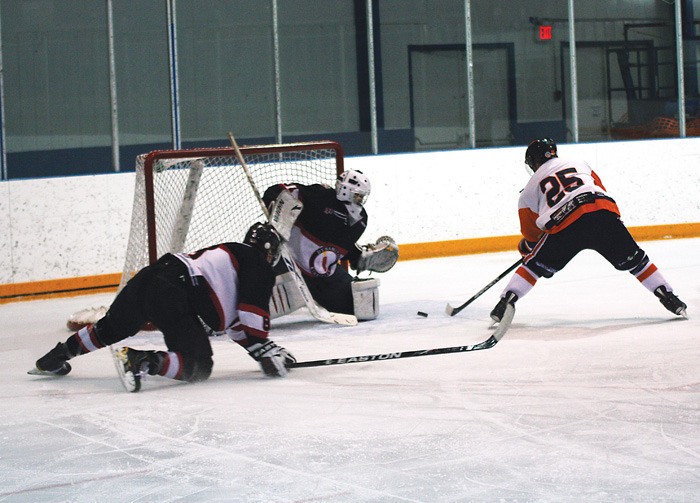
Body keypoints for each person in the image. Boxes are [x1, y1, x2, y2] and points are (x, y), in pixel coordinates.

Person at [28, 223, 296, 391]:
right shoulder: (258, 266)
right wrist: (265, 350)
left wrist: (263, 352)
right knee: (199, 366)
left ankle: (54, 357)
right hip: (175, 291)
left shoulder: (234, 258)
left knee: (109, 328)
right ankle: (142, 360)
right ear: (269, 250)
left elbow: (238, 325)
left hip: (153, 276)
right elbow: (251, 318)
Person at [490, 138, 687, 323]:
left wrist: (528, 248)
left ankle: (505, 303)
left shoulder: (527, 191)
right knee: (637, 262)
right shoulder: (579, 162)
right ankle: (670, 298)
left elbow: (532, 234)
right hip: (601, 212)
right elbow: (599, 187)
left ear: (533, 162)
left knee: (533, 267)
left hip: (565, 225)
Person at [262, 169, 398, 321]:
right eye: (358, 194)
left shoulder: (360, 220)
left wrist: (358, 257)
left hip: (324, 277)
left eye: (362, 196)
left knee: (360, 308)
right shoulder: (320, 195)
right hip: (289, 266)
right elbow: (277, 191)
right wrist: (280, 203)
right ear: (345, 190)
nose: (360, 199)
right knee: (256, 305)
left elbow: (336, 245)